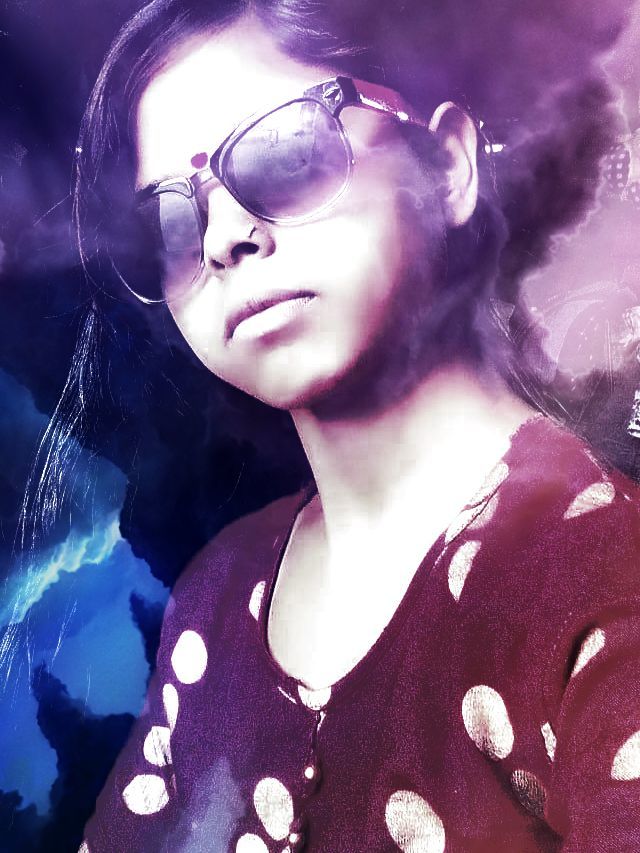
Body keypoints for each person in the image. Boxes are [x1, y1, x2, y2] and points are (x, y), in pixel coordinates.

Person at [70, 0, 640, 849]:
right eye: (174, 222)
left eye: (287, 152)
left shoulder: (605, 582)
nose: (223, 237)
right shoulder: (216, 594)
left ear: (448, 166)